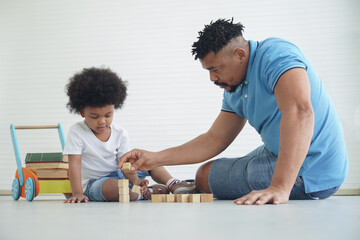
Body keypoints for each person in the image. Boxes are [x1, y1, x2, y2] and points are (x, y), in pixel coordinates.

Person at [119, 19, 348, 205]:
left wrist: (279, 187)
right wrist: (154, 158)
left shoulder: (276, 55)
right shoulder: (233, 89)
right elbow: (213, 139)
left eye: (215, 69)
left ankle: (284, 183)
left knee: (204, 176)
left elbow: (300, 111)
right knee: (205, 173)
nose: (212, 78)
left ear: (240, 54)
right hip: (276, 153)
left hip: (314, 167)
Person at [63, 67, 193, 203]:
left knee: (149, 160)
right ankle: (145, 194)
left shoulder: (120, 133)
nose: (102, 121)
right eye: (94, 116)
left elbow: (124, 164)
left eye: (108, 115)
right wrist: (77, 193)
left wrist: (135, 180)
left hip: (121, 175)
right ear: (82, 112)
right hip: (95, 183)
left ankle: (172, 183)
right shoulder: (77, 132)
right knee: (113, 188)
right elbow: (75, 164)